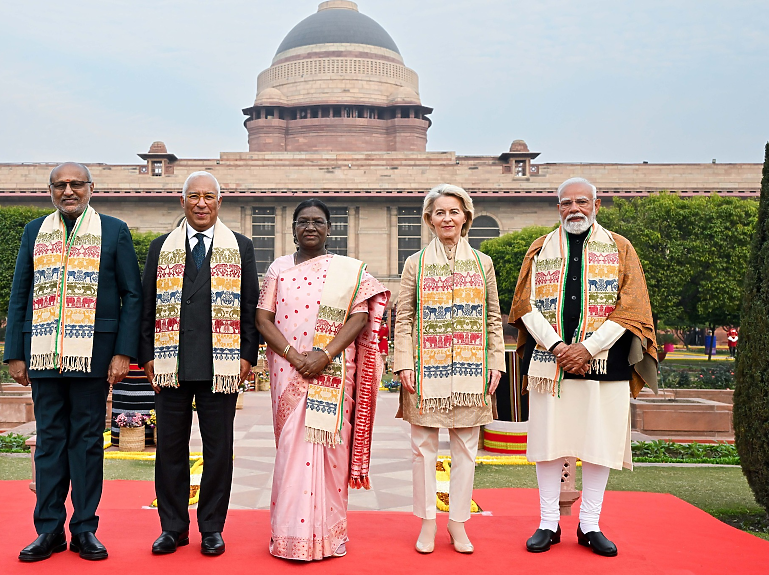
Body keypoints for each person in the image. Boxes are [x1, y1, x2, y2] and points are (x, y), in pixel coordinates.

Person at [509, 177, 657, 557]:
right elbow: (524, 305)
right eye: (565, 203)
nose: (573, 209)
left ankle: (589, 525)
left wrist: (588, 348)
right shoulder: (539, 249)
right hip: (549, 363)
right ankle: (548, 523)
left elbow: (632, 307)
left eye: (581, 202)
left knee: (598, 445)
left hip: (606, 364)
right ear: (557, 208)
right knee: (548, 445)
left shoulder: (620, 247)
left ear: (597, 205)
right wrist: (559, 347)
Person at [4, 162, 143, 562]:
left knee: (86, 442)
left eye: (75, 184)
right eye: (60, 185)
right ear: (50, 191)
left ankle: (84, 528)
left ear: (91, 188)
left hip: (94, 354)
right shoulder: (35, 232)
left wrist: (122, 352)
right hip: (44, 352)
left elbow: (131, 295)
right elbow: (20, 294)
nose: (68, 191)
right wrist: (15, 352)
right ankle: (48, 530)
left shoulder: (113, 231)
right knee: (49, 442)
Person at [255, 199, 389, 561]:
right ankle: (288, 536)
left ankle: (330, 538)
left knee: (331, 451)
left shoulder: (346, 271)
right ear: (293, 229)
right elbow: (263, 319)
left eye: (317, 221)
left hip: (331, 370)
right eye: (303, 222)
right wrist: (296, 357)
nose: (310, 227)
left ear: (330, 229)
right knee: (290, 452)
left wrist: (325, 355)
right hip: (288, 369)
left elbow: (359, 318)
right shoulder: (278, 268)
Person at [139, 171, 259, 557]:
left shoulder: (240, 247)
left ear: (219, 202)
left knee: (218, 451)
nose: (201, 203)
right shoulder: (161, 248)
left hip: (219, 369)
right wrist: (147, 358)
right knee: (169, 451)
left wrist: (245, 355)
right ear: (183, 202)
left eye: (209, 196)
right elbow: (146, 307)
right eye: (194, 196)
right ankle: (172, 528)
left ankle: (211, 528)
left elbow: (249, 306)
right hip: (170, 365)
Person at [393, 184, 505, 554]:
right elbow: (404, 318)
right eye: (439, 212)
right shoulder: (416, 263)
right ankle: (427, 522)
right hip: (426, 369)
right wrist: (404, 363)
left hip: (472, 369)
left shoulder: (482, 263)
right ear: (429, 220)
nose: (447, 219)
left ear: (466, 217)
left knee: (466, 449)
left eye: (454, 212)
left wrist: (496, 363)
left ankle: (457, 523)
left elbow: (492, 318)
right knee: (423, 448)